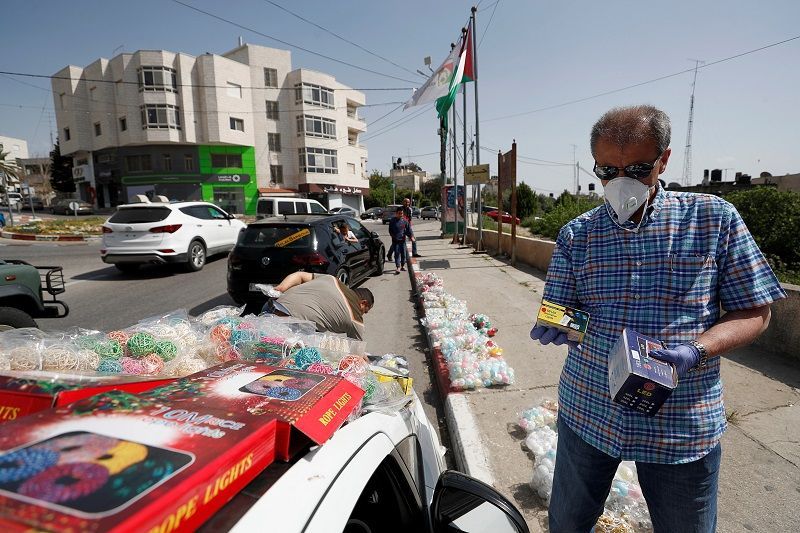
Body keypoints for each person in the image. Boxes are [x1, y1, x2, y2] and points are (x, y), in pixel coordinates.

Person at [530, 104, 786, 533]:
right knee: (568, 525)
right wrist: (559, 324)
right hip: (590, 411)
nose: (621, 181)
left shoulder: (713, 220)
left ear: (664, 160)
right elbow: (564, 309)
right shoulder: (578, 234)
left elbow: (756, 311)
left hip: (680, 422)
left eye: (638, 168)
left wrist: (696, 350)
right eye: (608, 171)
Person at [263, 272, 374, 340]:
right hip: (289, 327)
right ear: (363, 303)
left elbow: (299, 275)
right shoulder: (355, 319)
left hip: (270, 307)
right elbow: (357, 355)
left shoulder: (331, 279)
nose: (363, 314)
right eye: (365, 311)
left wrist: (281, 288)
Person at [388, 206, 412, 274]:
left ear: (403, 214)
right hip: (395, 241)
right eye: (399, 213)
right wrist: (393, 236)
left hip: (403, 240)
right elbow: (390, 230)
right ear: (396, 213)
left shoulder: (405, 221)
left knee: (403, 254)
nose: (400, 215)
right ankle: (398, 267)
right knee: (397, 254)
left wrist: (411, 236)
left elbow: (408, 230)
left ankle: (402, 266)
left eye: (401, 213)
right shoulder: (392, 221)